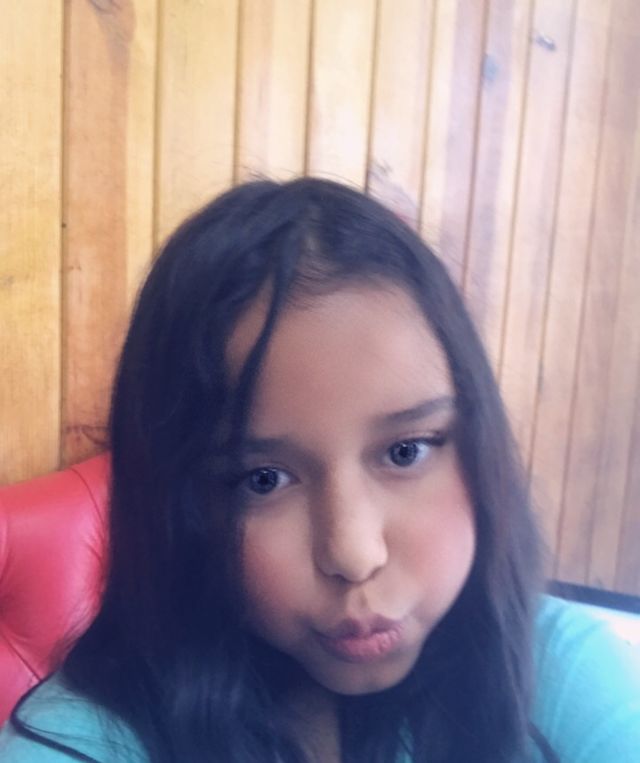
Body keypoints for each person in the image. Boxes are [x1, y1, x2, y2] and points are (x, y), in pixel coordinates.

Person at [1, 178, 639, 762]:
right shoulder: (89, 738)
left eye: (407, 451)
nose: (354, 555)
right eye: (264, 480)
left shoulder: (568, 678)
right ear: (179, 509)